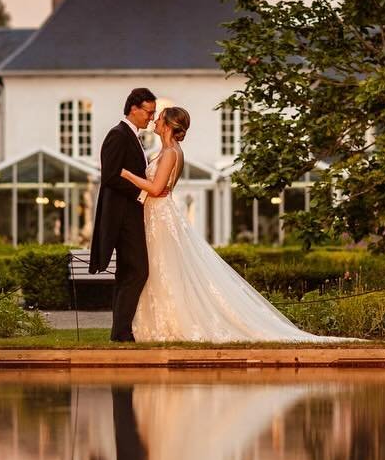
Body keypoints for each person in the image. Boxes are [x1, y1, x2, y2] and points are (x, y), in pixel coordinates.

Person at [119, 107, 355, 343]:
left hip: (160, 215)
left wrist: (126, 174)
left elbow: (157, 188)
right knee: (160, 270)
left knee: (165, 269)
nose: (156, 121)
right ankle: (157, 322)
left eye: (159, 119)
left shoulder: (171, 152)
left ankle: (169, 323)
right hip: (155, 214)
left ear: (169, 125)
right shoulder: (168, 151)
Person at [90, 87, 157, 342]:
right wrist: (141, 194)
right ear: (134, 109)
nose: (150, 118)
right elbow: (109, 176)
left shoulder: (132, 136)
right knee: (138, 271)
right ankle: (121, 331)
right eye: (148, 112)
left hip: (129, 216)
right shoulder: (118, 135)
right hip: (122, 217)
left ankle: (120, 331)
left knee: (128, 272)